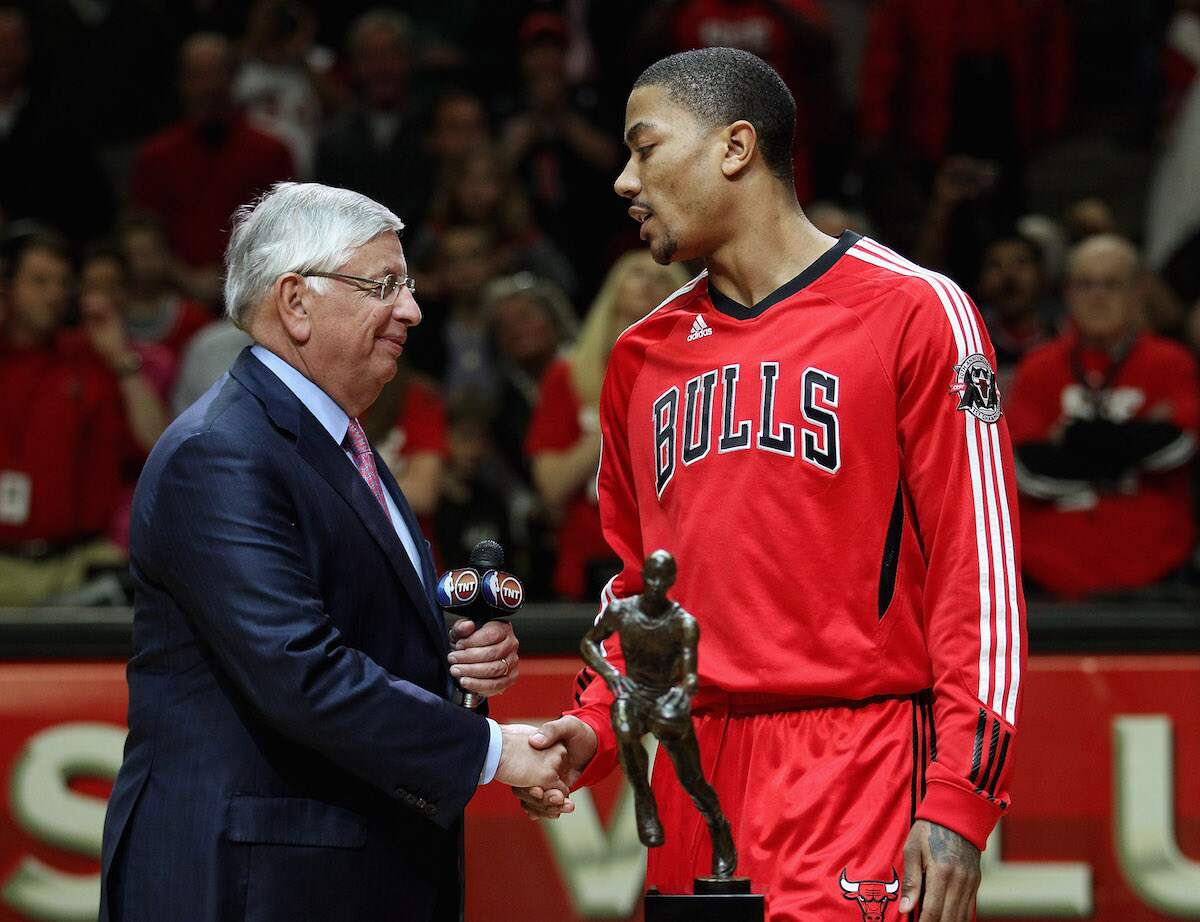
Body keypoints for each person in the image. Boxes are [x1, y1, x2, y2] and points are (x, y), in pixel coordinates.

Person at [513, 48, 1026, 922]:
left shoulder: (913, 310)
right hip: (693, 774)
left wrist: (961, 793)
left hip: (856, 762)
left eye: (645, 148)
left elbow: (978, 580)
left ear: (736, 146)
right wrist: (597, 723)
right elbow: (640, 587)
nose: (625, 182)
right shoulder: (640, 356)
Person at [99, 183, 567, 922]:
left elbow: (350, 630)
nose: (412, 310)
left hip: (339, 871)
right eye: (383, 285)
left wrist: (453, 656)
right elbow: (299, 671)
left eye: (408, 285)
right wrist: (489, 750)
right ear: (295, 302)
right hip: (250, 882)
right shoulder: (219, 452)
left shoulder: (341, 441)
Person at [1006, 234, 1199, 599]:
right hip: (1049, 577)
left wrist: (1076, 441)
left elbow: (1178, 448)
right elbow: (1028, 470)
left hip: (1156, 577)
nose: (1098, 296)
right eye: (1085, 284)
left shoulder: (1171, 363)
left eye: (1111, 284)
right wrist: (1128, 449)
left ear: (1137, 293)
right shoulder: (1038, 368)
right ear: (1067, 293)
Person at [0, 233, 167, 604]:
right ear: (6, 287)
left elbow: (157, 442)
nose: (55, 293)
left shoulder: (92, 357)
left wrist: (120, 357)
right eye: (40, 281)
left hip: (78, 564)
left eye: (63, 282)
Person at [526, 250, 688, 600]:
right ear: (612, 291)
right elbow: (551, 488)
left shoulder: (695, 371)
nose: (651, 282)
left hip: (675, 560)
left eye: (662, 276)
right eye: (637, 273)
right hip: (588, 563)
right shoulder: (566, 376)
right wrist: (621, 410)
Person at [129, 33, 294, 302]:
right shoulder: (155, 157)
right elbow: (140, 237)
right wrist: (184, 277)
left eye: (216, 74)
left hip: (256, 296)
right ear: (181, 84)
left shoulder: (272, 153)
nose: (208, 87)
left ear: (233, 79)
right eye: (197, 76)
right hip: (173, 299)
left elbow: (287, 235)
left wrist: (233, 279)